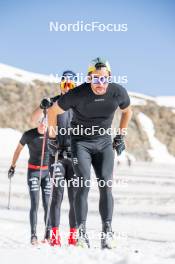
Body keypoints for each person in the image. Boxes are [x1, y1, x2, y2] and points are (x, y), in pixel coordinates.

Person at [46, 57, 132, 249]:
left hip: (103, 143)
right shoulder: (77, 94)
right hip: (81, 143)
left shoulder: (118, 92)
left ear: (109, 78)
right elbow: (52, 112)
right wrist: (52, 139)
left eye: (104, 79)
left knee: (105, 184)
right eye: (95, 79)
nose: (100, 83)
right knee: (83, 184)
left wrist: (120, 136)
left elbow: (127, 112)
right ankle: (81, 233)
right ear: (89, 78)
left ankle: (107, 233)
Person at [32, 70, 77, 247]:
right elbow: (34, 119)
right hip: (56, 154)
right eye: (64, 84)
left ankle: (74, 235)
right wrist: (41, 106)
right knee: (56, 195)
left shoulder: (80, 104)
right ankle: (54, 235)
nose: (67, 88)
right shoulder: (52, 102)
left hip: (74, 156)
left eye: (71, 85)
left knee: (75, 196)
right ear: (61, 85)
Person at [8, 119, 51, 245]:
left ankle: (48, 234)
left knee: (47, 203)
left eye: (46, 124)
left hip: (47, 173)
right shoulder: (29, 134)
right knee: (35, 203)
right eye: (42, 123)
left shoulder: (52, 134)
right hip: (33, 172)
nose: (44, 126)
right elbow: (18, 149)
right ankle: (33, 235)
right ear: (38, 123)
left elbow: (59, 150)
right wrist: (13, 166)